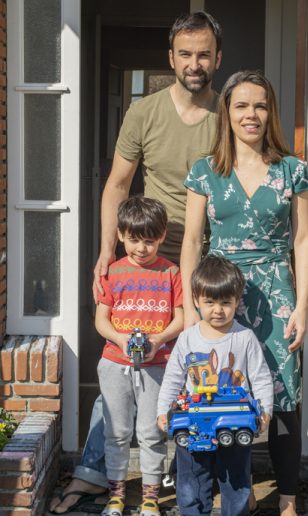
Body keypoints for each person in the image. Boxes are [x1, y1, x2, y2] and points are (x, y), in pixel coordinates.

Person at [49, 11, 222, 515]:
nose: (195, 63)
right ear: (171, 58)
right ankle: (96, 472)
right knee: (126, 362)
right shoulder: (145, 112)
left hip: (209, 260)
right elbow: (118, 186)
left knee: (197, 369)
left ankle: (188, 480)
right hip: (149, 253)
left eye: (204, 53)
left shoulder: (229, 114)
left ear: (218, 58)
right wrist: (107, 250)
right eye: (185, 54)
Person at [180, 71, 308, 516]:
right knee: (216, 389)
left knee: (283, 395)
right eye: (241, 105)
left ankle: (290, 498)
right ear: (228, 112)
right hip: (219, 293)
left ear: (270, 112)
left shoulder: (292, 169)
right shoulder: (205, 171)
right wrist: (188, 309)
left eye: (259, 105)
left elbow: (303, 241)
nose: (251, 114)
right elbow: (191, 241)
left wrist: (301, 305)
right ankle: (229, 492)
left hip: (276, 294)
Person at [157, 256, 273, 516]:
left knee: (237, 480)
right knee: (191, 480)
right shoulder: (187, 338)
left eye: (225, 302)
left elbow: (261, 377)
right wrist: (163, 410)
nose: (217, 310)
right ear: (196, 300)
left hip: (234, 420)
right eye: (209, 302)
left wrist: (265, 410)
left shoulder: (244, 338)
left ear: (236, 301)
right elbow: (173, 377)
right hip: (194, 421)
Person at [96, 196, 183, 516]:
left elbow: (182, 316)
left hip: (157, 365)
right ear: (120, 235)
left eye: (149, 240)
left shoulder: (171, 272)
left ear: (161, 236)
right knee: (116, 433)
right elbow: (101, 319)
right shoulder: (112, 272)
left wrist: (159, 339)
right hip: (114, 364)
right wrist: (120, 339)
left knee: (152, 433)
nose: (141, 248)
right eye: (134, 240)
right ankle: (115, 495)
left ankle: (150, 497)